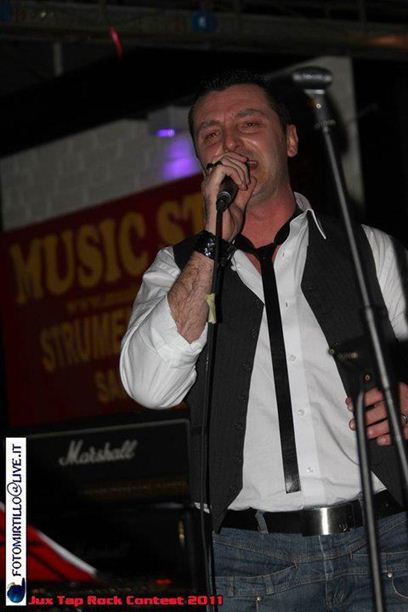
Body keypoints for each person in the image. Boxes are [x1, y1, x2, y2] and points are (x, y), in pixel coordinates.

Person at [120, 70, 408, 610]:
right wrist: (212, 246)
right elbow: (148, 387)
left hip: (388, 542)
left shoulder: (367, 249)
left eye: (248, 124)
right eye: (211, 134)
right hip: (251, 561)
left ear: (291, 140)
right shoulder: (178, 268)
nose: (230, 143)